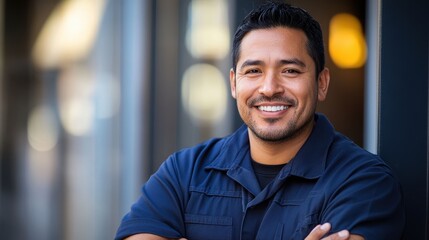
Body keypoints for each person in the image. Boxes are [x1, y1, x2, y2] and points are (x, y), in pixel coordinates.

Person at [115, 2, 405, 239]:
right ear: (233, 83)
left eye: (290, 71)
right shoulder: (185, 172)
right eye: (253, 71)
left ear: (322, 82)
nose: (269, 88)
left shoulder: (363, 182)